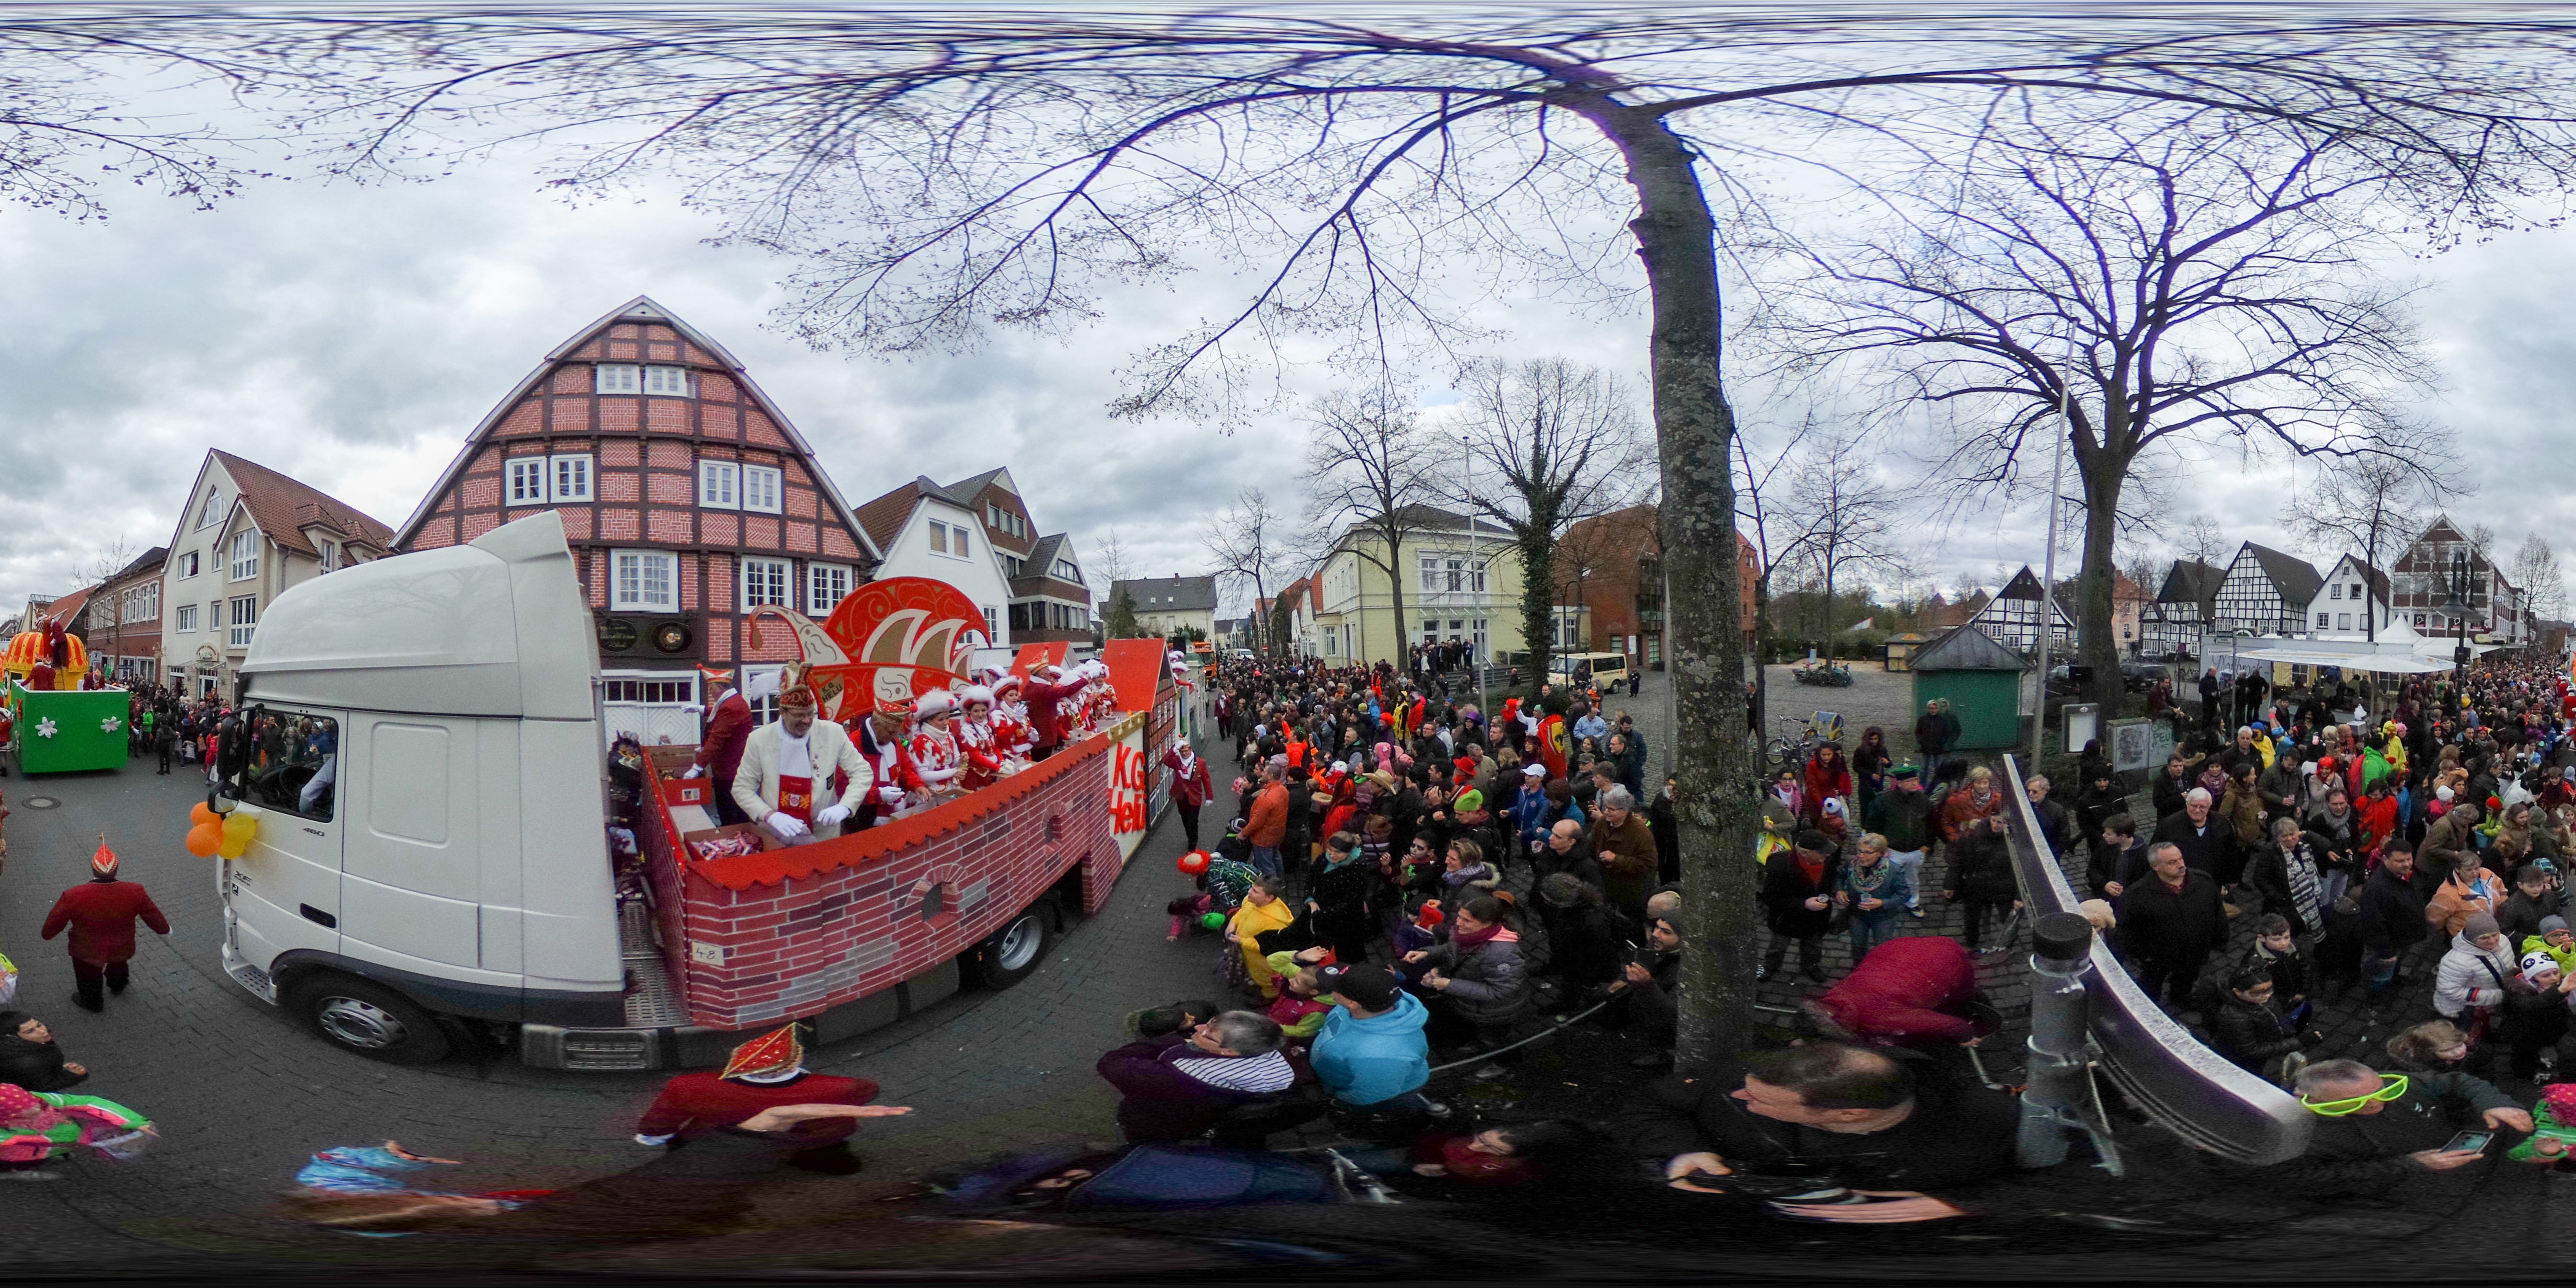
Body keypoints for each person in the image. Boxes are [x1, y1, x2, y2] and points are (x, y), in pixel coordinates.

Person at [1631, 1042, 2018, 1223]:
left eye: (1757, 1098)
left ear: (1848, 1115)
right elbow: (1655, 1104)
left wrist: (1965, 1204)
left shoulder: (1985, 1122)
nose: (1737, 1095)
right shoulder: (1749, 1074)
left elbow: (2049, 1183)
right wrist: (1682, 1150)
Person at [633, 1025, 889, 1174]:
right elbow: (868, 1092)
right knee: (829, 1157)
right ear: (795, 1062)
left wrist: (654, 1136)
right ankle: (834, 1167)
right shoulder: (840, 1086)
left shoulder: (688, 1085)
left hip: (714, 1140)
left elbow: (664, 1116)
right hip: (809, 1139)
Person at [2260, 1058, 2527, 1198]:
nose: (2377, 1104)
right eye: (2355, 1102)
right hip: (2392, 1183)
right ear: (2308, 1099)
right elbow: (2300, 1179)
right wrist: (2408, 1165)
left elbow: (2458, 1081)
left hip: (2438, 1145)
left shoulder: (2394, 1083)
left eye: (2382, 1092)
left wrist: (2494, 1103)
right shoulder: (2295, 1136)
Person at [1095, 1011, 1303, 1147]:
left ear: (1230, 1052)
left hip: (1162, 1123)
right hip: (1210, 1118)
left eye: (1208, 1034)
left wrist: (1174, 1041)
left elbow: (1110, 1063)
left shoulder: (1175, 1078)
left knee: (1146, 1140)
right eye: (1209, 1023)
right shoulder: (1268, 1051)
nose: (1198, 1028)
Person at [729, 667, 873, 844]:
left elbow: (862, 772)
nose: (806, 721)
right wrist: (770, 816)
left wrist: (845, 806)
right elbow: (742, 788)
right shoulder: (759, 739)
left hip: (824, 833)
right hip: (778, 833)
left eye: (811, 714)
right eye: (799, 715)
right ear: (783, 712)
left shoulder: (833, 733)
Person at [39, 842, 169, 1013]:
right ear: (116, 870)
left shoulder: (73, 895)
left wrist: (48, 934)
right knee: (119, 965)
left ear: (94, 870)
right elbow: (153, 915)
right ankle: (118, 985)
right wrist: (165, 930)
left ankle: (93, 1003)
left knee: (88, 975)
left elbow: (52, 925)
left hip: (87, 949)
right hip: (122, 944)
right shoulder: (135, 891)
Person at [1404, 895, 1530, 1066]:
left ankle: (1505, 1065)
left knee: (1497, 1040)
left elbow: (1502, 990)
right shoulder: (1464, 933)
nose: (1459, 923)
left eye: (1467, 920)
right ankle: (1482, 1045)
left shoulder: (1502, 953)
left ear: (1486, 924)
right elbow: (1451, 949)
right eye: (1459, 917)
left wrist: (1450, 985)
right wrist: (1427, 953)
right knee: (1481, 1033)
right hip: (1474, 1006)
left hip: (1494, 1012)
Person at [1307, 963, 1434, 1132]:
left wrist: (1340, 1097)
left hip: (1376, 1097)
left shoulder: (1380, 1056)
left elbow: (1368, 1095)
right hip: (1343, 1078)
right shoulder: (1374, 1002)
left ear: (1352, 1003)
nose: (1331, 993)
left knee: (1369, 1117)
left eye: (1335, 989)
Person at [1801, 936, 1986, 1048]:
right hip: (1898, 949)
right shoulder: (1834, 996)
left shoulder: (1880, 1018)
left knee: (1956, 998)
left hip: (1942, 962)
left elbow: (1952, 1026)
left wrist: (1966, 1037)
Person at [2116, 841, 2228, 1013]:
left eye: (2180, 859)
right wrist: (2143, 955)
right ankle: (2148, 1007)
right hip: (2157, 957)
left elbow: (2217, 911)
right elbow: (2126, 930)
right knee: (2151, 984)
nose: (2181, 865)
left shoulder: (2203, 882)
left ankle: (2180, 998)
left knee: (2186, 979)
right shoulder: (2137, 895)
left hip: (2194, 951)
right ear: (2155, 867)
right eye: (2172, 862)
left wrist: (2220, 938)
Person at [0, 1082, 153, 1180]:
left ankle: (54, 1154)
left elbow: (90, 1103)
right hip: (19, 1153)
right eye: (27, 1111)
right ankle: (18, 1172)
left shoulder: (42, 1100)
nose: (37, 1108)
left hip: (56, 1142)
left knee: (51, 1151)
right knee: (22, 1162)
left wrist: (133, 1121)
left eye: (33, 1103)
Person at [2206, 965, 2324, 1079]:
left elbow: (2271, 1011)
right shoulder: (2235, 1017)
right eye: (2257, 993)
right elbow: (2253, 1050)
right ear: (2237, 992)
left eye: (2270, 989)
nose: (2267, 995)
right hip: (2243, 1059)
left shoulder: (2258, 1000)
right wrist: (2299, 1041)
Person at [1759, 829, 1841, 983]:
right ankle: (1770, 966)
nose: (1827, 855)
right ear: (1805, 852)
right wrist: (1804, 904)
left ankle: (1811, 966)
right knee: (1778, 945)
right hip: (1786, 917)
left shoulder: (1828, 859)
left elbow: (1833, 878)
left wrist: (1836, 892)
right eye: (1822, 853)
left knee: (1813, 944)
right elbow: (1771, 897)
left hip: (1816, 916)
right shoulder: (1780, 864)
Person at [1605, 910, 1685, 1068]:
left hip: (1668, 1029)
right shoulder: (1660, 945)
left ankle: (1667, 1055)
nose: (1655, 934)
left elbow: (1673, 1015)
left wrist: (1646, 984)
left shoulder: (1688, 971)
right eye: (1657, 927)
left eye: (1666, 932)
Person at [686, 666, 754, 826]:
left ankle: (733, 833)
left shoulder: (730, 707)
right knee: (736, 806)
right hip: (734, 765)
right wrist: (700, 709)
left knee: (729, 807)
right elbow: (718, 711)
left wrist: (697, 767)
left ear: (719, 688)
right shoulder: (733, 701)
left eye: (711, 688)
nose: (710, 692)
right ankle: (741, 830)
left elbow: (716, 740)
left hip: (730, 767)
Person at [1861, 765, 1932, 918]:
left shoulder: (1923, 800)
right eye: (1910, 781)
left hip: (1915, 850)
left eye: (1916, 780)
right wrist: (1881, 849)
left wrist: (1928, 845)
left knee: (1912, 880)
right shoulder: (1883, 801)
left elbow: (1932, 824)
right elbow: (1872, 827)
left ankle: (1913, 902)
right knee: (1885, 880)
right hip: (1892, 851)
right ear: (1899, 783)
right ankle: (1884, 904)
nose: (1915, 783)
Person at [2244, 815, 2329, 939]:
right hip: (2287, 903)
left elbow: (2326, 845)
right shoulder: (2269, 852)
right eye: (2284, 836)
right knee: (2290, 930)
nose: (2289, 839)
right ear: (2277, 838)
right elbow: (2260, 879)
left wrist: (2307, 834)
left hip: (2310, 896)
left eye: (2292, 834)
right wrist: (2280, 898)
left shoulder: (2305, 844)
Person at [2433, 912, 2518, 1029]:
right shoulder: (2456, 961)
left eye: (2495, 935)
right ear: (2473, 939)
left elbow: (2510, 961)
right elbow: (2449, 991)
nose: (2493, 941)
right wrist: (2496, 996)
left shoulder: (2503, 940)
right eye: (2484, 938)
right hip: (2463, 1010)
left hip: (2490, 1004)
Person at [1837, 833, 1914, 960]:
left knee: (1882, 948)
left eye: (1868, 853)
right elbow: (1840, 876)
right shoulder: (1851, 863)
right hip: (1857, 914)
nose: (1861, 856)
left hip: (1883, 918)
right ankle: (1859, 966)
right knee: (1857, 945)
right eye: (1860, 851)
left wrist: (1882, 903)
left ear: (1880, 853)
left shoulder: (1894, 870)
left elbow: (1905, 895)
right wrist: (1840, 890)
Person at [1588, 784, 1657, 920]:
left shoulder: (1641, 833)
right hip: (1605, 883)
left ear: (1624, 811)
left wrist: (1616, 859)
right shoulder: (1602, 822)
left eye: (1611, 809)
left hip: (1629, 890)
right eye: (1606, 807)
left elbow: (1649, 864)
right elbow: (1591, 844)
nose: (1606, 812)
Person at [1227, 877, 1300, 1001]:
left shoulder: (1274, 922)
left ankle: (1269, 998)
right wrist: (1233, 923)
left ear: (1269, 898)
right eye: (1252, 888)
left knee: (1268, 983)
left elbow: (1270, 947)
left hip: (1265, 965)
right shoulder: (1251, 900)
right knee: (1257, 977)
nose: (1249, 892)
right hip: (1252, 959)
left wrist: (1243, 941)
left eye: (1255, 891)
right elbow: (1243, 912)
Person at [0, 1014, 85, 1092]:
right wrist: (73, 1075)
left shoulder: (16, 1047)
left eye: (39, 1025)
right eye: (30, 1031)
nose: (42, 1031)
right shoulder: (31, 1063)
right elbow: (42, 1087)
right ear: (12, 1037)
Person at [1163, 736, 1213, 852]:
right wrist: (1175, 749)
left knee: (1193, 821)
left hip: (1195, 796)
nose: (1185, 754)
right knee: (1185, 819)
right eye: (1182, 752)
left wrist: (1209, 797)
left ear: (1191, 750)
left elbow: (1206, 780)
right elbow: (1166, 761)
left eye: (1186, 751)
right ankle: (1190, 836)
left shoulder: (1200, 763)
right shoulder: (1177, 761)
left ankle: (1192, 845)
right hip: (1181, 796)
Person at [1243, 762, 1289, 880]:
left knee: (1266, 866)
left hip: (1263, 838)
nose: (1262, 773)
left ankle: (1273, 887)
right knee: (1275, 858)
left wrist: (1243, 833)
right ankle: (1281, 882)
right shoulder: (1283, 790)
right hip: (1277, 835)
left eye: (1264, 772)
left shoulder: (1266, 797)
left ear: (1270, 776)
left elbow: (1257, 822)